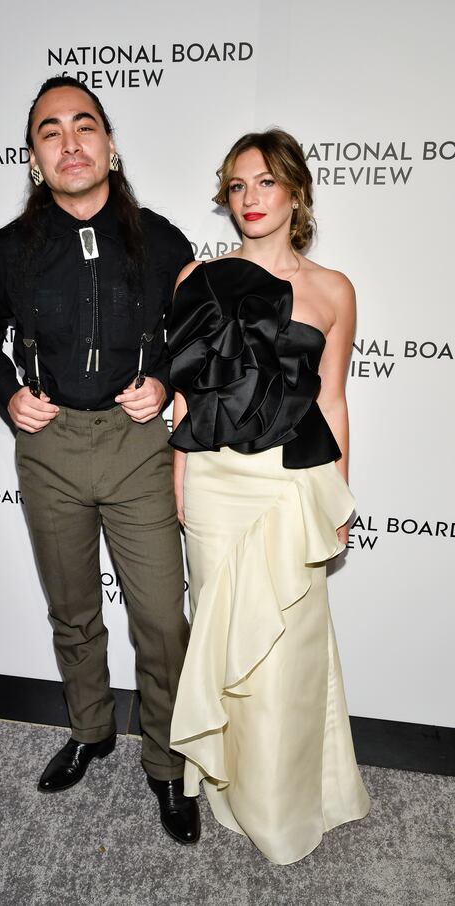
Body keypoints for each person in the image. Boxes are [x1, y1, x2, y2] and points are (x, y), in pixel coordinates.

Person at [0, 76, 200, 845]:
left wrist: (163, 379)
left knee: (162, 621)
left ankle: (166, 765)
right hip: (52, 448)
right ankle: (91, 730)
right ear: (34, 157)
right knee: (74, 613)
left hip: (136, 448)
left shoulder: (163, 242)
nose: (69, 141)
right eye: (50, 131)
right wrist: (5, 393)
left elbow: (193, 336)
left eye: (83, 125)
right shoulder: (8, 251)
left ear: (110, 143)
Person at [167, 129, 370, 863]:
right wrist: (180, 475)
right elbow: (189, 394)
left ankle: (286, 801)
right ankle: (224, 789)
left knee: (287, 650)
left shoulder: (334, 288)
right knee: (224, 645)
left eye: (265, 183)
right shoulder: (199, 276)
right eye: (237, 186)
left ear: (295, 192)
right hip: (217, 484)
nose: (250, 199)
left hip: (293, 485)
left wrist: (339, 497)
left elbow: (336, 400)